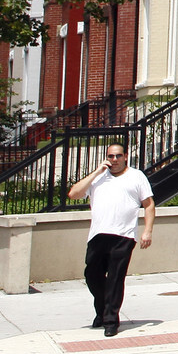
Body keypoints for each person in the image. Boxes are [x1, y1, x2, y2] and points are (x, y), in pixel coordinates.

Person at [67, 142, 155, 337]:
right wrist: (96, 172)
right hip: (98, 235)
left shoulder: (136, 176)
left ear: (125, 157)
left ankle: (110, 321)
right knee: (92, 276)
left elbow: (149, 205)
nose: (114, 160)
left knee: (115, 279)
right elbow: (73, 194)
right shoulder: (98, 179)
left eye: (118, 156)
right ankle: (102, 309)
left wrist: (147, 231)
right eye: (111, 156)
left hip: (123, 236)